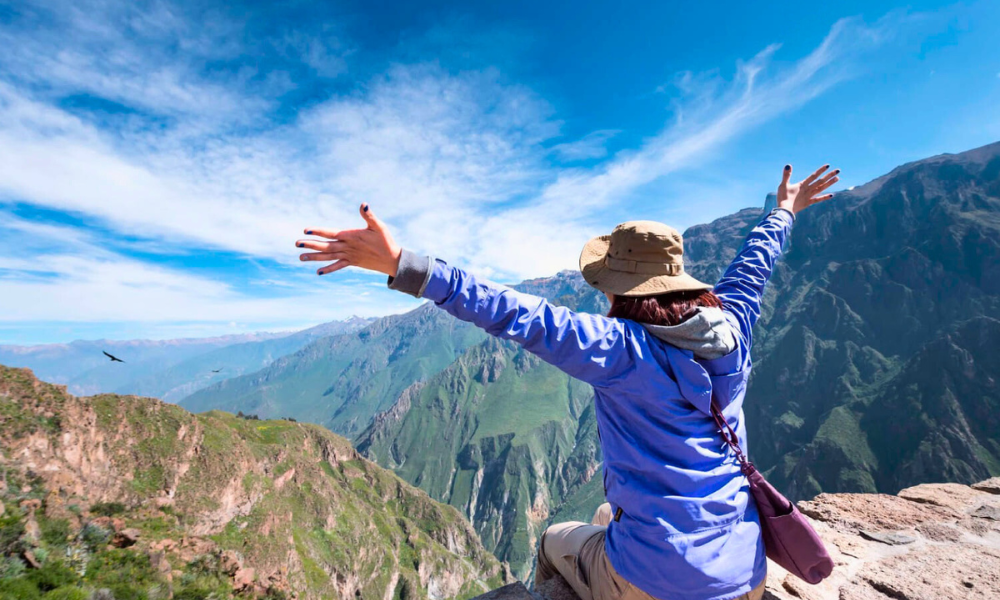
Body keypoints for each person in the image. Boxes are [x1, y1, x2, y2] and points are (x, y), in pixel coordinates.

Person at [296, 163, 840, 600]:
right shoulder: (734, 327)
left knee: (556, 539)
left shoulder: (621, 351)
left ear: (620, 289)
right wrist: (784, 211)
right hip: (745, 576)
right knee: (606, 516)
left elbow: (515, 314)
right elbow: (753, 267)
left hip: (656, 584)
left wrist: (401, 264)